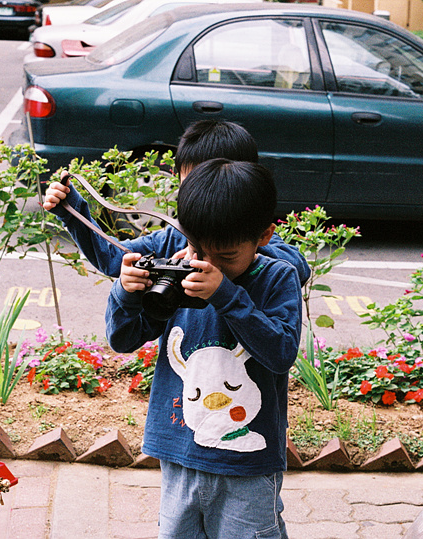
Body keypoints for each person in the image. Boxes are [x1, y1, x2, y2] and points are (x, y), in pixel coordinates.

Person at [107, 159, 302, 539]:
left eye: (226, 256)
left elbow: (281, 352)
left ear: (264, 236)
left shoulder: (278, 277)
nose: (206, 263)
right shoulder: (180, 269)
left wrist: (227, 296)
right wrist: (126, 293)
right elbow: (123, 338)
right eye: (197, 248)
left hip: (248, 463)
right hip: (179, 450)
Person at [41, 119, 310, 286]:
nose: (199, 193)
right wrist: (72, 210)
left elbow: (298, 268)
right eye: (189, 183)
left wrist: (241, 258)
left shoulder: (246, 236)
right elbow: (114, 257)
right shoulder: (174, 236)